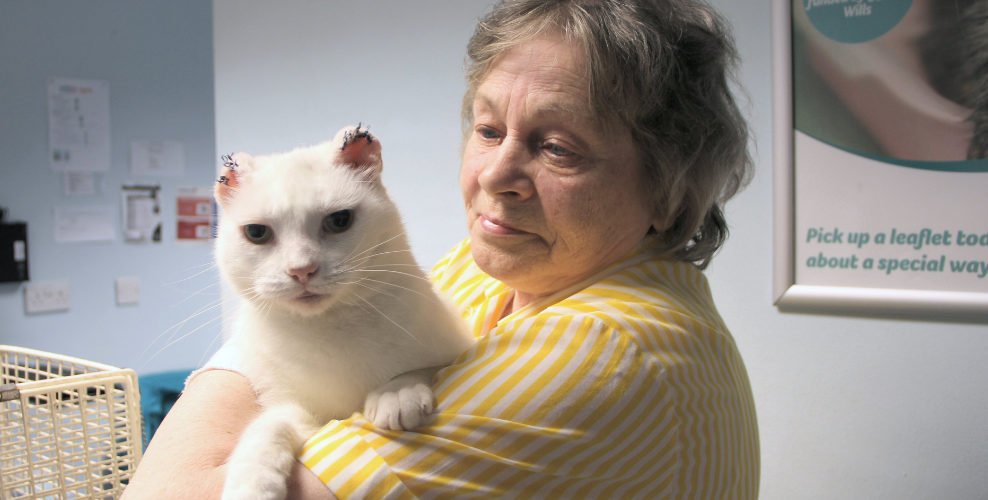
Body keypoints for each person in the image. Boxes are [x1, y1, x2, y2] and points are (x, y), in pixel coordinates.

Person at [123, 0, 758, 498]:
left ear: (669, 193)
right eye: (488, 129)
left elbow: (173, 492)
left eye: (558, 147)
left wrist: (267, 321)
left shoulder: (599, 351)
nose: (493, 174)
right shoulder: (507, 268)